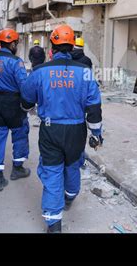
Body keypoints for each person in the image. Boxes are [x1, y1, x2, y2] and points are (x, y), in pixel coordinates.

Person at [21, 24, 103, 233]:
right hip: (76, 130)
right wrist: (96, 134)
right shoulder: (84, 71)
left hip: (51, 131)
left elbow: (27, 100)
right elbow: (94, 106)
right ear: (73, 46)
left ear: (52, 48)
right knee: (73, 165)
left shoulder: (40, 71)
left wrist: (26, 106)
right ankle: (70, 195)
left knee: (52, 171)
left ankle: (54, 224)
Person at [0, 28, 31, 192]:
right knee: (20, 135)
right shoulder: (16, 62)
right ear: (13, 43)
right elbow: (24, 85)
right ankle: (17, 169)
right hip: (14, 104)